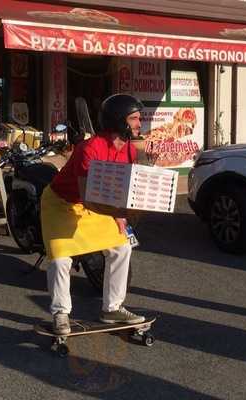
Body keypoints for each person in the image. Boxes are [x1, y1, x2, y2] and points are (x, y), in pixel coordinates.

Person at [41, 94, 146, 335]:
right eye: (134, 118)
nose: (140, 123)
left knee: (122, 247)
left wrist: (122, 215)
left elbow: (119, 187)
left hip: (97, 204)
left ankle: (112, 308)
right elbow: (88, 197)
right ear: (119, 121)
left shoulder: (129, 150)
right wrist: (121, 212)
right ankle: (60, 313)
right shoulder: (90, 148)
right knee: (60, 259)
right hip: (62, 204)